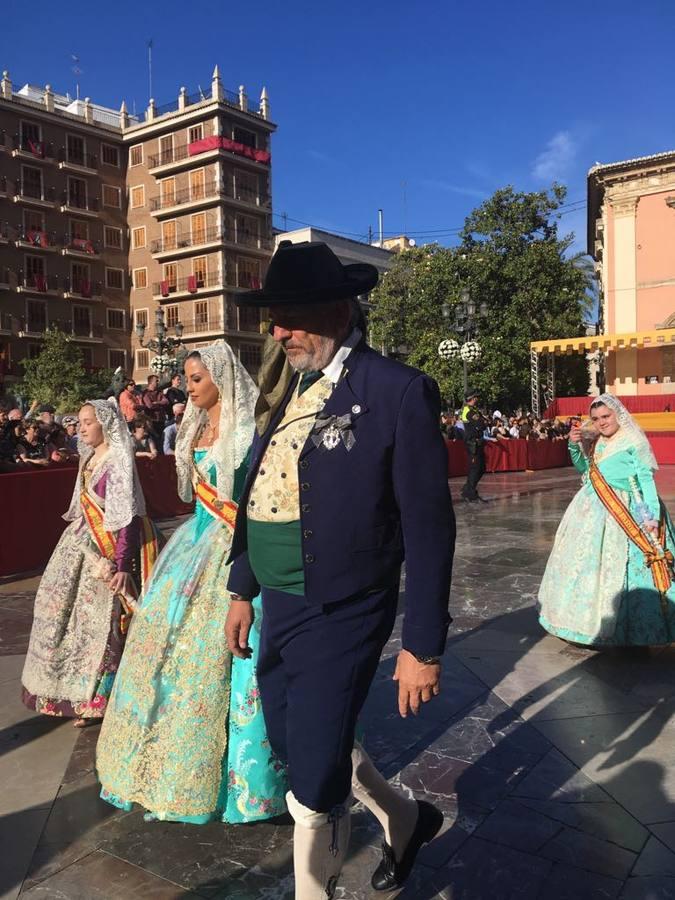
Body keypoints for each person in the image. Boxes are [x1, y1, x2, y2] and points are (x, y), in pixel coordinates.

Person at [224, 241, 455, 898]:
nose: (276, 331)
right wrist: (242, 586)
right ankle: (405, 817)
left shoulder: (397, 391)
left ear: (335, 308)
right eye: (273, 316)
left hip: (346, 606)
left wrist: (421, 645)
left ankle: (311, 891)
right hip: (281, 604)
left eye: (289, 316)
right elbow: (257, 493)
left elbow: (429, 527)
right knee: (297, 739)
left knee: (313, 778)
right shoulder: (292, 388)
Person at [97, 342, 288, 824]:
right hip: (193, 546)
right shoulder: (194, 426)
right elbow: (195, 493)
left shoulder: (246, 431)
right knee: (167, 650)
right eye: (186, 378)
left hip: (235, 547)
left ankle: (246, 782)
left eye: (197, 378)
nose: (188, 386)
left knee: (235, 657)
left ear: (221, 379)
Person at [21, 399, 159, 726]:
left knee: (104, 626)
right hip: (82, 543)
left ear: (106, 424)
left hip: (112, 549)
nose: (80, 428)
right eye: (80, 422)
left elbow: (125, 518)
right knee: (67, 618)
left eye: (87, 422)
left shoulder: (118, 460)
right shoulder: (90, 457)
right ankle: (72, 692)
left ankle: (100, 697)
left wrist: (123, 564)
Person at [539, 394, 675, 646]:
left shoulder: (634, 440)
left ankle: (632, 630)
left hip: (627, 510)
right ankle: (581, 622)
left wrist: (652, 518)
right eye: (596, 419)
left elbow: (646, 481)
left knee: (626, 570)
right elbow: (585, 470)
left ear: (617, 414)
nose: (601, 423)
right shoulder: (598, 441)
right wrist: (572, 446)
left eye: (606, 416)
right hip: (591, 508)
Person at [460, 389, 487, 503]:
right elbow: (481, 424)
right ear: (471, 399)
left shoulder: (474, 410)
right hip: (472, 443)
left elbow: (484, 422)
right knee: (475, 468)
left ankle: (468, 489)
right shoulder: (469, 411)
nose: (477, 399)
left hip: (477, 442)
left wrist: (483, 422)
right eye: (475, 397)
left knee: (481, 468)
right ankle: (470, 493)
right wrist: (482, 422)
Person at [142, 374, 169, 441]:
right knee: (154, 439)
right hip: (152, 420)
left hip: (161, 419)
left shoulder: (159, 392)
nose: (158, 382)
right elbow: (149, 405)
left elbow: (166, 401)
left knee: (162, 438)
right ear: (150, 382)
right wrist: (160, 403)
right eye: (156, 381)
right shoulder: (146, 393)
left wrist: (156, 403)